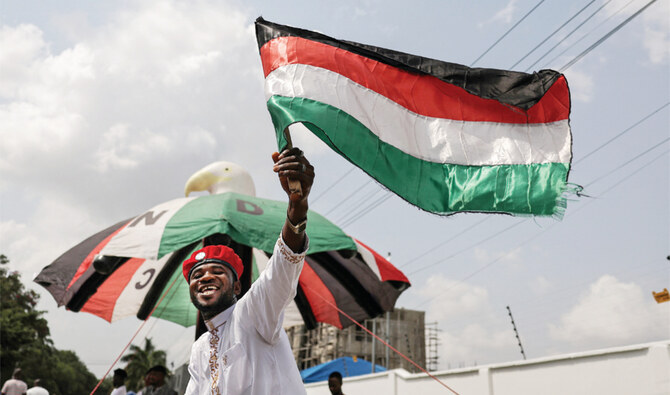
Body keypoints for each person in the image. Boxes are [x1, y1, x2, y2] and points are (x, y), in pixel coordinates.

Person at [184, 147, 313, 394]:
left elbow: (281, 269)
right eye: (197, 275)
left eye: (217, 272)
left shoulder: (253, 312)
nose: (206, 277)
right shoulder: (200, 348)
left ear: (237, 286)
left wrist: (297, 208)